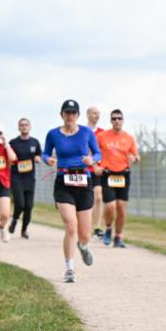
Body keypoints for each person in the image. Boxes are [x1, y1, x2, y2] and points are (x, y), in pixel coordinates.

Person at [43, 99, 101, 282]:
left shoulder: (86, 132)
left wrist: (92, 160)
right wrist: (48, 160)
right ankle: (69, 269)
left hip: (84, 182)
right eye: (67, 113)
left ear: (78, 115)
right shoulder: (53, 134)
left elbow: (98, 153)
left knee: (85, 233)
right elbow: (45, 153)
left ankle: (83, 246)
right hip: (63, 181)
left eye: (73, 113)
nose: (70, 116)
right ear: (61, 115)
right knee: (70, 225)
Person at [96, 109, 140, 247]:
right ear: (111, 120)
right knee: (110, 206)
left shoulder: (128, 138)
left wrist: (135, 158)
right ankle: (108, 228)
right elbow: (95, 153)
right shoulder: (102, 136)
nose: (117, 121)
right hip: (108, 174)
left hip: (123, 174)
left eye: (119, 118)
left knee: (121, 208)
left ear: (123, 120)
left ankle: (118, 237)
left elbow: (136, 156)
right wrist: (96, 166)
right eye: (114, 118)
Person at [8, 118, 42, 239]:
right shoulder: (13, 143)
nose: (24, 127)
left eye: (26, 125)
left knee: (29, 206)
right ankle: (14, 220)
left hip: (30, 178)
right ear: (18, 128)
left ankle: (24, 230)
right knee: (20, 204)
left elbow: (39, 155)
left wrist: (38, 158)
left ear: (30, 127)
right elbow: (8, 157)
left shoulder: (35, 142)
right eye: (21, 125)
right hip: (16, 177)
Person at [85, 105, 106, 240]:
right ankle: (86, 226)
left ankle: (97, 227)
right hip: (84, 170)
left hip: (97, 170)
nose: (97, 116)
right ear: (87, 115)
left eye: (98, 113)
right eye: (94, 113)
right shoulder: (82, 131)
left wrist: (100, 165)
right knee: (86, 199)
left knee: (98, 197)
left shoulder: (103, 133)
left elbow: (104, 152)